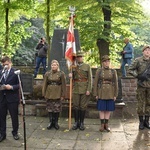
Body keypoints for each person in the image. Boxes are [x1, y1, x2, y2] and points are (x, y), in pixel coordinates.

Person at [93, 55, 118, 132]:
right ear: (102, 63)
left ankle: (106, 125)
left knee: (108, 109)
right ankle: (102, 125)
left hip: (110, 91)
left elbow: (116, 83)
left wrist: (115, 94)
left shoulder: (113, 71)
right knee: (102, 109)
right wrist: (95, 94)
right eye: (105, 61)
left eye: (108, 61)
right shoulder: (99, 71)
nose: (107, 63)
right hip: (101, 92)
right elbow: (95, 83)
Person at [69, 51, 92, 131]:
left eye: (80, 57)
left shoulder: (87, 66)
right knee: (75, 106)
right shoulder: (73, 67)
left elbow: (90, 79)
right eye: (78, 57)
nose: (79, 58)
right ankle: (76, 122)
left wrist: (89, 89)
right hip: (76, 88)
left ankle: (82, 123)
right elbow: (72, 79)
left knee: (82, 106)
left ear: (83, 57)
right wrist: (70, 76)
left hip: (84, 88)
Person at [128, 45, 150, 130]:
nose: (147, 51)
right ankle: (141, 122)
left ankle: (147, 121)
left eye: (149, 50)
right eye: (146, 50)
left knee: (149, 104)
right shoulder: (138, 60)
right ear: (143, 52)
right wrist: (138, 76)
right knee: (140, 104)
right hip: (141, 86)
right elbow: (130, 70)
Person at [0, 56, 20, 142]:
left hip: (12, 98)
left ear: (10, 63)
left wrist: (11, 87)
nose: (5, 66)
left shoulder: (16, 72)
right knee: (1, 117)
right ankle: (2, 134)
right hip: (2, 98)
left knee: (14, 116)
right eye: (4, 65)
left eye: (7, 64)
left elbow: (20, 85)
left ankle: (15, 132)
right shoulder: (1, 72)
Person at [42, 60, 66, 130]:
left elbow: (63, 85)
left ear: (57, 66)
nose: (53, 66)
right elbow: (44, 84)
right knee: (50, 108)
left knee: (56, 109)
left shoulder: (61, 74)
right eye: (52, 65)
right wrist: (44, 93)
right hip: (49, 93)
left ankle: (56, 122)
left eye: (55, 65)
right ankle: (50, 122)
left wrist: (63, 94)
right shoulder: (47, 74)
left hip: (57, 93)